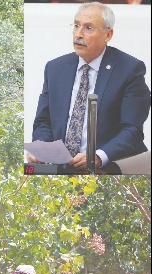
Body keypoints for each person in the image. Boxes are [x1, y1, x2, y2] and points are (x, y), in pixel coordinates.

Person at [30, 2, 150, 170]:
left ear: (108, 34)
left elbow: (132, 130)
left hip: (110, 167)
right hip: (62, 168)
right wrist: (42, 148)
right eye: (76, 25)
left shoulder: (130, 69)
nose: (78, 34)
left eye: (88, 28)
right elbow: (43, 121)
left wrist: (98, 156)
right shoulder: (55, 68)